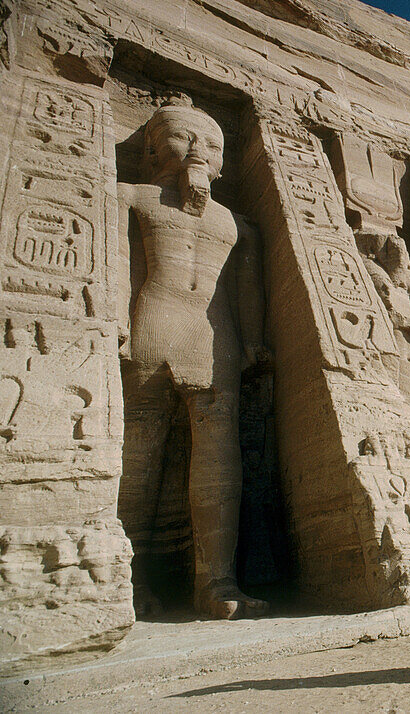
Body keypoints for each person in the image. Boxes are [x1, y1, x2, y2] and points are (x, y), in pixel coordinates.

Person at [117, 94, 268, 619]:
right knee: (139, 448)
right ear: (155, 148)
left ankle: (218, 582)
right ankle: (126, 580)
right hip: (151, 322)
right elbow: (117, 262)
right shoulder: (132, 196)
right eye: (184, 137)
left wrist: (253, 339)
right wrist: (113, 318)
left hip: (213, 333)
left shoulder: (235, 224)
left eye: (211, 143)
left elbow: (245, 288)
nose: (198, 149)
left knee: (218, 452)